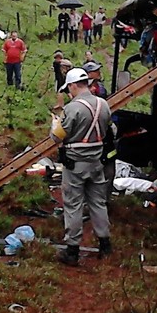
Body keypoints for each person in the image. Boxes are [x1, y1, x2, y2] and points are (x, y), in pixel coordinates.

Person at [50, 67, 112, 266]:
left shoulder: (72, 108)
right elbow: (110, 130)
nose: (69, 93)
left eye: (69, 88)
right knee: (98, 203)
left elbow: (56, 137)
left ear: (74, 85)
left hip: (75, 165)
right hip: (97, 163)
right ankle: (105, 245)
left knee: (73, 205)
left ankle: (72, 250)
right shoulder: (104, 105)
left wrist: (54, 124)